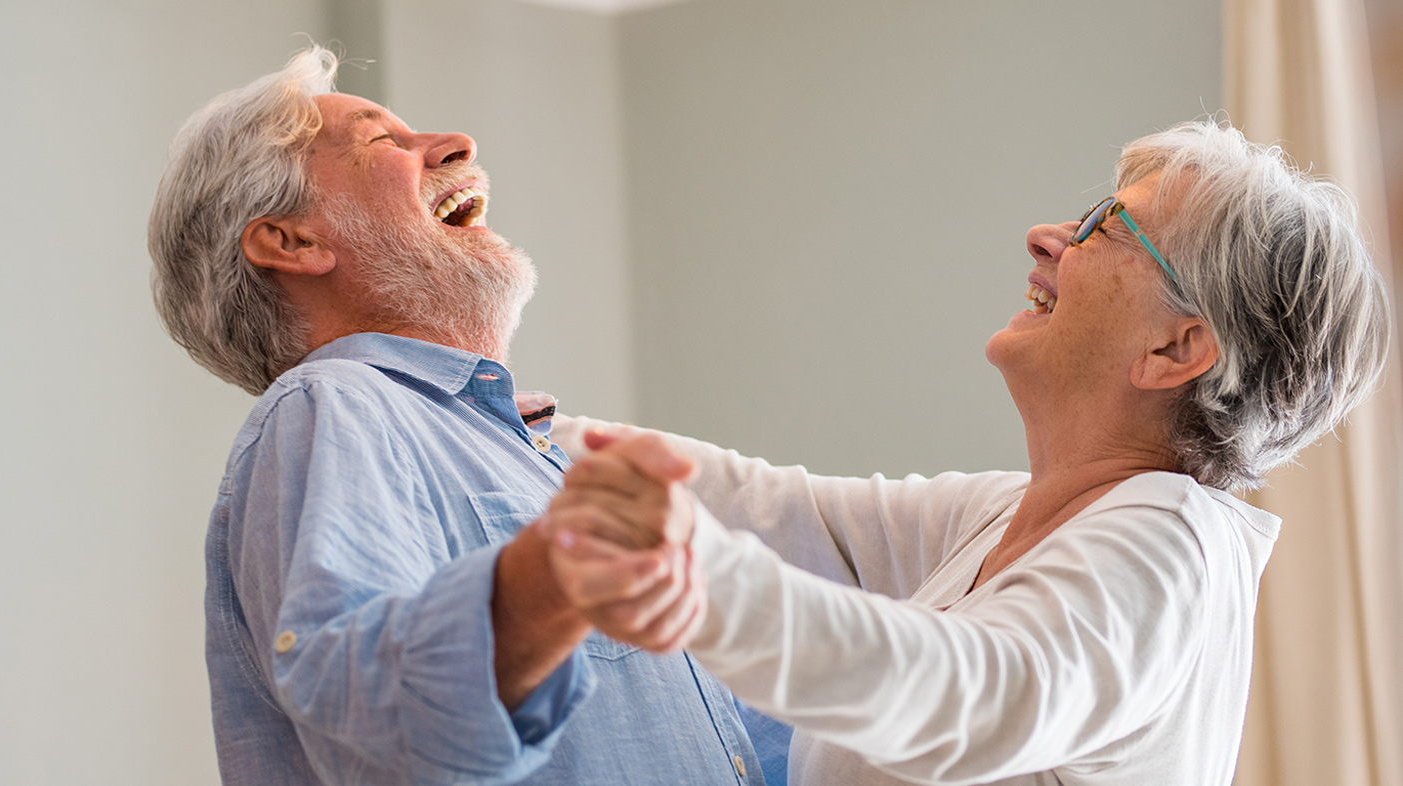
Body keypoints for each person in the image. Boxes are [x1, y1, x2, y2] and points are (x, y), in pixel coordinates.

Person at [542, 121, 1392, 785]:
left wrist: (702, 579)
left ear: (1175, 351)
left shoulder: (1170, 551)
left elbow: (971, 690)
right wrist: (526, 428)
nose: (1046, 236)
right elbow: (772, 509)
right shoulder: (1008, 514)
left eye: (1107, 224)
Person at [147, 45, 768, 785]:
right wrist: (557, 572)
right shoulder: (336, 405)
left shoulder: (529, 447)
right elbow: (379, 734)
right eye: (384, 140)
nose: (456, 145)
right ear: (293, 241)